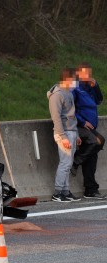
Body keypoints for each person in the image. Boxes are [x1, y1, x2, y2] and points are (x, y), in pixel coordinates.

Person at [71, 62, 106, 199]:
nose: (88, 76)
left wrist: (95, 86)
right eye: (85, 73)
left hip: (91, 126)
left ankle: (91, 189)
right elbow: (70, 108)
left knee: (92, 156)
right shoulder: (75, 88)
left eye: (89, 74)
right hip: (79, 125)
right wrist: (81, 120)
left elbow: (99, 101)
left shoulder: (89, 87)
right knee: (97, 142)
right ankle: (75, 161)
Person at [48, 68, 82, 202]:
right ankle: (58, 192)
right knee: (65, 163)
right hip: (64, 133)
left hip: (72, 131)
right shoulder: (57, 95)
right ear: (67, 79)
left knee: (68, 163)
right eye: (74, 80)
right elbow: (56, 117)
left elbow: (72, 117)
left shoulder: (68, 93)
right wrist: (62, 136)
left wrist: (77, 134)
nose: (75, 82)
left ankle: (66, 191)